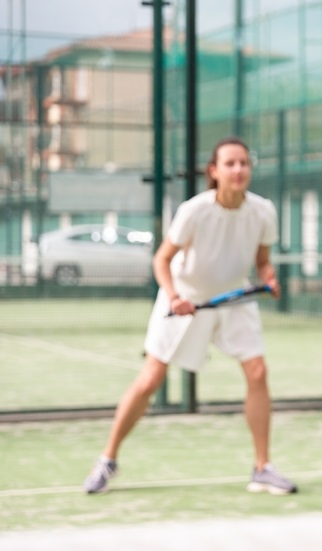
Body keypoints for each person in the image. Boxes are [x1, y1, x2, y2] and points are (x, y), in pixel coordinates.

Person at [83, 137, 297, 496]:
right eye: (230, 163)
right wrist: (174, 296)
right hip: (185, 298)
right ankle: (108, 459)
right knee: (151, 379)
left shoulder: (263, 211)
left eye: (244, 163)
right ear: (214, 171)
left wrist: (269, 278)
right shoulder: (194, 211)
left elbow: (262, 260)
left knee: (258, 372)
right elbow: (161, 260)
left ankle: (262, 468)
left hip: (234, 297)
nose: (239, 169)